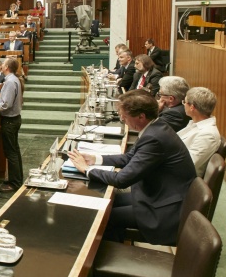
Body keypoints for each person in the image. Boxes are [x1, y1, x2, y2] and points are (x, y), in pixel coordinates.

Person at [68, 90, 196, 245]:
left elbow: (121, 180)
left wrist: (86, 170)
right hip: (155, 195)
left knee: (102, 217)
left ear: (141, 116)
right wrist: (95, 159)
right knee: (107, 200)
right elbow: (129, 158)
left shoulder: (154, 138)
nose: (122, 119)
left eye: (124, 115)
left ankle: (110, 256)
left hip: (162, 210)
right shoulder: (156, 127)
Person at [0, 57, 23, 192]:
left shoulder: (10, 81)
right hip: (14, 119)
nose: (1, 65)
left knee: (11, 152)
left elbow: (6, 104)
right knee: (15, 151)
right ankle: (17, 179)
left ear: (7, 67)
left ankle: (14, 183)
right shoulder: (13, 79)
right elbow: (6, 101)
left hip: (9, 121)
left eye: (3, 63)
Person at [178, 87, 222, 178]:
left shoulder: (208, 135)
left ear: (192, 107)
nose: (183, 105)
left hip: (182, 179)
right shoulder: (195, 123)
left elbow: (186, 165)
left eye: (184, 102)